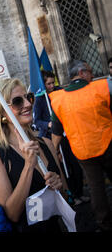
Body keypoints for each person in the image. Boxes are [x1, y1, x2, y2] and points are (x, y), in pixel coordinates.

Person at [0, 78, 68, 232]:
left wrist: (59, 187)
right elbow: (13, 214)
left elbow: (66, 198)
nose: (28, 104)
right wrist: (29, 166)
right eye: (17, 101)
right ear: (1, 111)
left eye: (28, 97)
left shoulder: (46, 143)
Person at [50, 60, 112, 232]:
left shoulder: (58, 99)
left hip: (83, 151)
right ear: (82, 73)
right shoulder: (102, 87)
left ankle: (104, 223)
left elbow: (56, 131)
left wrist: (55, 151)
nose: (92, 75)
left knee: (95, 187)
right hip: (108, 143)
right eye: (90, 72)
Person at [34, 70, 87, 206]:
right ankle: (72, 195)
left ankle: (80, 192)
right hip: (51, 137)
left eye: (53, 82)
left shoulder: (61, 92)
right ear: (43, 84)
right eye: (48, 84)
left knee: (75, 164)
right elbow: (37, 121)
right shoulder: (40, 99)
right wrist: (48, 124)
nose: (52, 86)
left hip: (67, 135)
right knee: (63, 167)